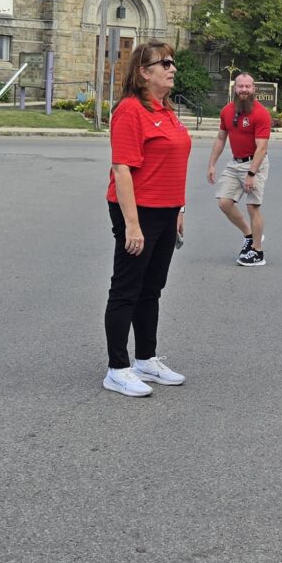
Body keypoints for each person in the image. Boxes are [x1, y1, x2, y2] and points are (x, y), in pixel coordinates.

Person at [104, 42, 192, 396]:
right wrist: (132, 225)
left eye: (173, 62)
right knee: (126, 289)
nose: (172, 68)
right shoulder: (130, 111)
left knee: (151, 289)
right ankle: (117, 368)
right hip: (137, 211)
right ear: (143, 72)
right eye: (164, 63)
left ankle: (145, 360)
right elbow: (122, 169)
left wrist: (180, 209)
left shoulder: (167, 110)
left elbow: (172, 165)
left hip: (166, 211)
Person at [208, 71, 271, 266]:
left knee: (253, 207)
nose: (244, 90)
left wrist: (251, 173)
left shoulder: (261, 113)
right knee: (224, 202)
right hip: (235, 162)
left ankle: (257, 253)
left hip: (255, 164)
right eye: (240, 86)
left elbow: (262, 148)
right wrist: (212, 164)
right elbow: (221, 138)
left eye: (247, 86)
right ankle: (249, 235)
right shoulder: (227, 111)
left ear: (254, 89)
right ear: (235, 88)